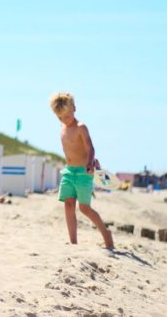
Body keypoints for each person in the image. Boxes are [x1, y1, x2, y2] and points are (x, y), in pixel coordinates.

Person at [49, 92, 114, 250]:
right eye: (61, 117)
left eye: (68, 115)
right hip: (69, 172)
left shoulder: (81, 127)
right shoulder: (62, 129)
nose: (66, 119)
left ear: (74, 108)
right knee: (68, 204)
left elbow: (90, 147)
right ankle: (73, 242)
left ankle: (106, 234)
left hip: (84, 172)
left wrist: (91, 163)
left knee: (84, 208)